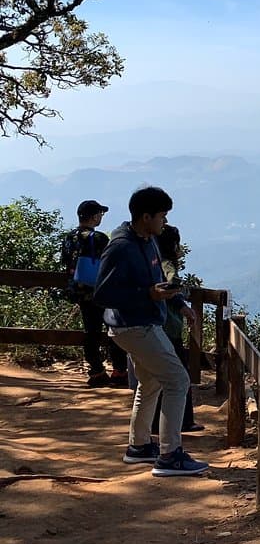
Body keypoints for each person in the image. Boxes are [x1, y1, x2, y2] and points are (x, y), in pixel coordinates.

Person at [93, 186, 209, 477]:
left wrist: (179, 302)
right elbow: (103, 294)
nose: (164, 222)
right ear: (146, 217)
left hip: (142, 323)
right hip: (134, 326)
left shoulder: (148, 240)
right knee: (177, 379)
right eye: (162, 216)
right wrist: (148, 295)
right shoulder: (120, 246)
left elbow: (158, 281)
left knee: (151, 383)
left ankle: (140, 447)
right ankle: (170, 455)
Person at [60, 200, 129, 388]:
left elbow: (65, 261)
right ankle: (119, 371)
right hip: (102, 292)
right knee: (115, 329)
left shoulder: (69, 237)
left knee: (91, 332)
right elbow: (112, 262)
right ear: (93, 216)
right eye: (100, 214)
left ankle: (97, 371)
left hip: (80, 292)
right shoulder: (98, 238)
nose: (101, 217)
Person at [148, 221, 203, 434]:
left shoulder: (151, 262)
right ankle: (184, 422)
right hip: (169, 328)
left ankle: (154, 424)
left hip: (155, 327)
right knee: (181, 376)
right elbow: (171, 283)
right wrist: (180, 296)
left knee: (156, 379)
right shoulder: (167, 264)